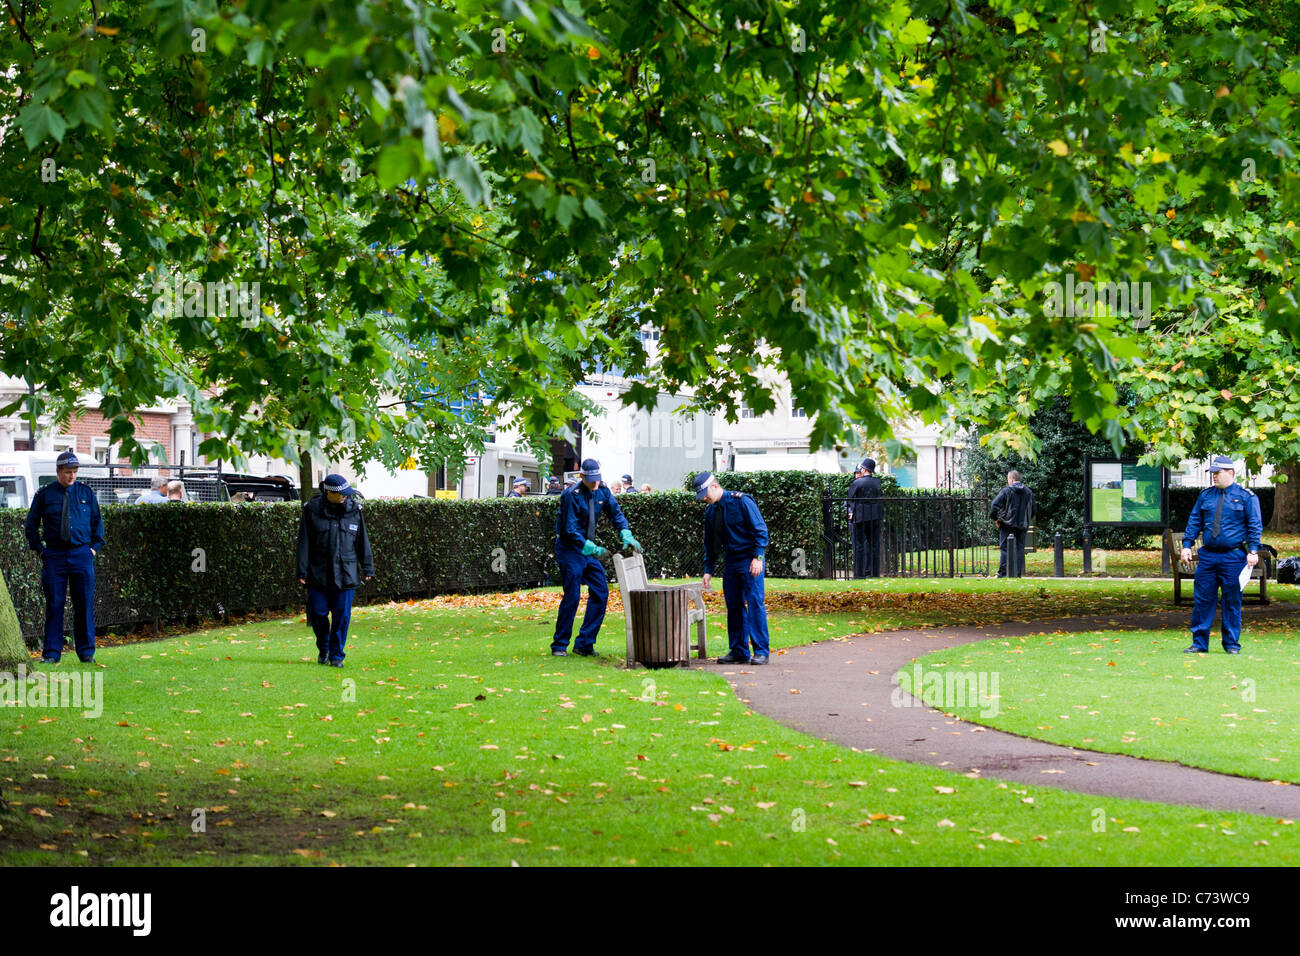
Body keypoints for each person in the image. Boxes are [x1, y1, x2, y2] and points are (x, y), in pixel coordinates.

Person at [550, 458, 642, 658]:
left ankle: (584, 644)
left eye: (597, 479)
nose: (595, 484)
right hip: (570, 549)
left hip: (588, 551)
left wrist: (625, 531)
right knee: (572, 596)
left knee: (601, 592)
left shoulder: (603, 492)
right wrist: (589, 546)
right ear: (582, 476)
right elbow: (569, 529)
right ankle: (559, 644)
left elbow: (616, 514)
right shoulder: (570, 495)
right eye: (591, 480)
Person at [23, 451, 104, 664]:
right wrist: (41, 550)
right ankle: (51, 653)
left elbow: (98, 524)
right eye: (68, 472)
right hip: (55, 556)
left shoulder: (86, 493)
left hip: (81, 554)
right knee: (54, 604)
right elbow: (31, 526)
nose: (72, 476)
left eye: (75, 472)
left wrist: (93, 549)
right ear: (58, 472)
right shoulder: (44, 495)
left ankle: (87, 653)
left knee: (84, 603)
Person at [1181, 455, 1261, 655]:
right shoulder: (1206, 496)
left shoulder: (1246, 496)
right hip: (1208, 556)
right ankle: (1199, 643)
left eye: (1218, 473)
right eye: (1213, 473)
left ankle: (1231, 644)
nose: (1214, 477)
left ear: (1231, 473)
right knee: (1202, 600)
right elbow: (1194, 522)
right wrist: (1186, 545)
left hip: (1233, 557)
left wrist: (1253, 550)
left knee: (1232, 601)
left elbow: (1254, 525)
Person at [297, 474, 374, 667]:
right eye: (341, 494)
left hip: (346, 573)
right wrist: (302, 571)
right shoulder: (312, 510)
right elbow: (303, 542)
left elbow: (362, 541)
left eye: (347, 494)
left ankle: (337, 656)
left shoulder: (355, 510)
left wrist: (368, 567)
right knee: (318, 614)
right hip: (318, 573)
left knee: (342, 617)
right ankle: (324, 648)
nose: (345, 497)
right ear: (328, 492)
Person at [695, 471, 771, 665]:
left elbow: (761, 530)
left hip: (749, 560)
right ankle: (739, 651)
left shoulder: (742, 501)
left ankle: (761, 651)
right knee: (734, 607)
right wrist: (708, 570)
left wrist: (758, 557)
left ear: (714, 486)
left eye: (705, 493)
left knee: (755, 604)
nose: (704, 498)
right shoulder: (711, 512)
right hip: (731, 563)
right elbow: (710, 544)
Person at [989, 470, 1035, 578]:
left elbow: (994, 505)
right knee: (1020, 549)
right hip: (1022, 525)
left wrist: (996, 519)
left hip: (1007, 524)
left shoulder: (1006, 491)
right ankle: (1017, 573)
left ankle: (1002, 573)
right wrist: (1027, 519)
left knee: (1005, 548)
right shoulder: (1028, 492)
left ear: (1011, 479)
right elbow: (1034, 509)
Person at [847, 458, 883, 578]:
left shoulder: (858, 482)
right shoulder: (877, 482)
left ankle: (858, 574)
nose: (860, 470)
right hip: (875, 516)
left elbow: (850, 498)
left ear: (865, 469)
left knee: (859, 546)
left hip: (860, 517)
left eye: (862, 468)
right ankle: (874, 573)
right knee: (874, 546)